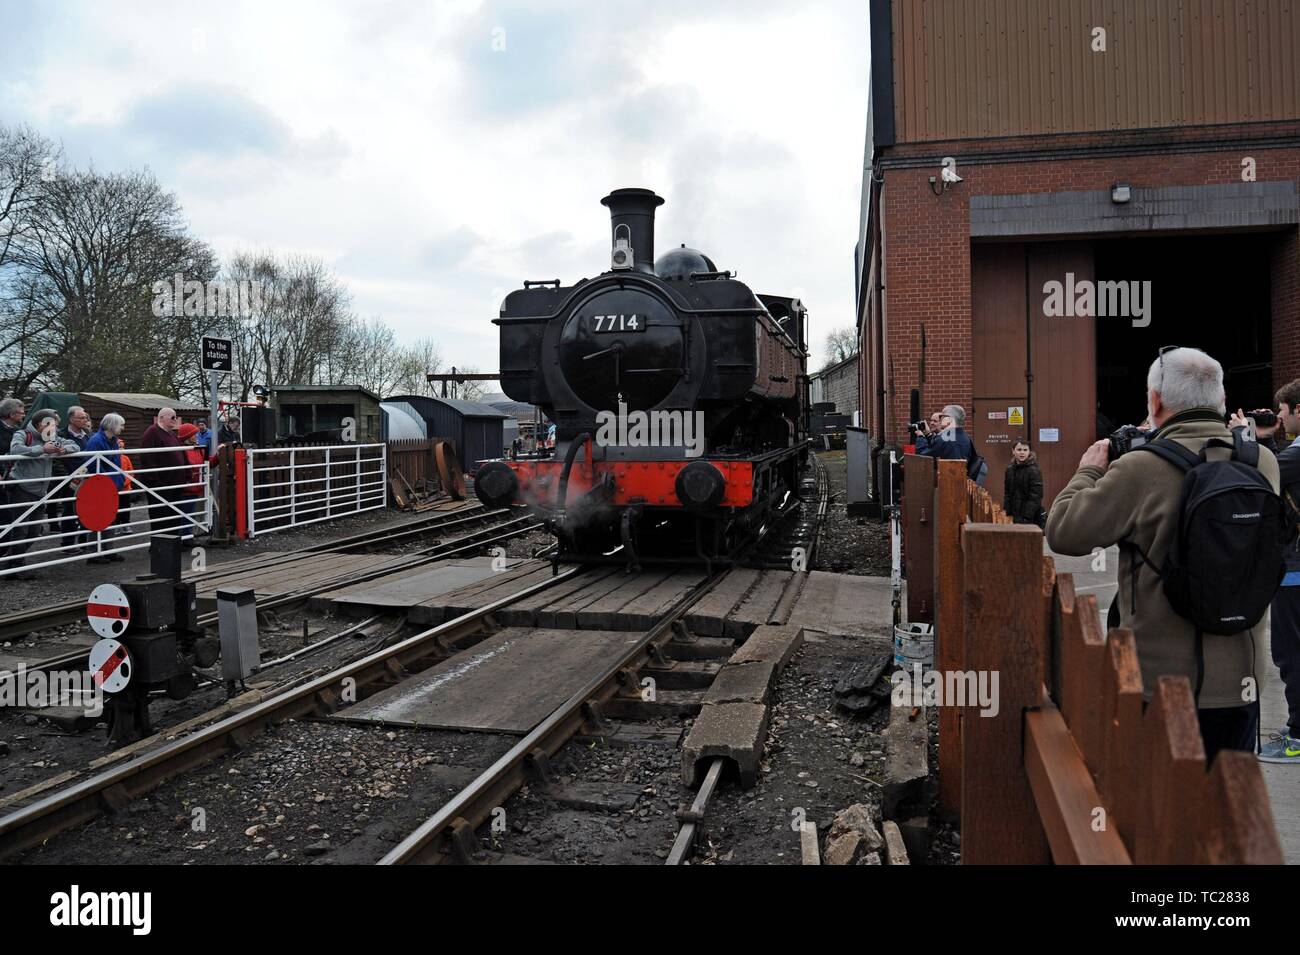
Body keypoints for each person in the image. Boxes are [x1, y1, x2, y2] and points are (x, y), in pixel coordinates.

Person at [1047, 347, 1277, 762]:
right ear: (1222, 400)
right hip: (1242, 682)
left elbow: (1064, 531)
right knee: (1229, 808)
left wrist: (1090, 469)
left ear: (1155, 401)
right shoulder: (1260, 461)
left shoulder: (1140, 467)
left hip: (1158, 684)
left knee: (1158, 814)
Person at [1249, 382, 1300, 763]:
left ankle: (1298, 736)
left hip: (1295, 570)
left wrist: (1248, 439)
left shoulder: (1296, 455)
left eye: (1283, 411)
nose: (1278, 418)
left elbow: (1259, 475)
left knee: (1290, 651)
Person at [5, 409, 79, 578]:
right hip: (22, 487)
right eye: (51, 426)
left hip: (41, 490)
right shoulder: (22, 434)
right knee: (21, 530)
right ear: (40, 425)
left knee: (34, 530)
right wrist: (42, 449)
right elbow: (15, 450)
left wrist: (62, 450)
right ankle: (15, 566)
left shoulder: (51, 437)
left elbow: (74, 445)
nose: (54, 431)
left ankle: (11, 561)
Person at [84, 413, 128, 564]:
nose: (122, 428)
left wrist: (119, 479)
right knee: (97, 518)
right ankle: (94, 552)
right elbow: (92, 464)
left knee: (110, 517)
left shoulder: (113, 441)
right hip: (100, 485)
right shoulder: (96, 441)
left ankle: (107, 549)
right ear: (112, 425)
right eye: (121, 425)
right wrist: (107, 481)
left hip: (111, 484)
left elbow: (116, 462)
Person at [139, 408, 187, 534]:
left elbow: (182, 454)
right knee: (160, 517)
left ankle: (173, 544)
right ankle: (159, 547)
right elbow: (147, 459)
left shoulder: (172, 434)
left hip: (175, 483)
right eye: (172, 417)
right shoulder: (152, 433)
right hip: (162, 485)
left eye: (175, 417)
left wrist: (186, 473)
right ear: (161, 418)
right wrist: (155, 482)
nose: (175, 420)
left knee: (174, 516)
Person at [915, 404, 988, 485]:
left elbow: (921, 456)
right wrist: (928, 434)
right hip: (963, 482)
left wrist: (921, 437)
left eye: (942, 417)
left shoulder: (945, 438)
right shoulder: (965, 437)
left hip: (950, 486)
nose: (940, 419)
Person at [53, 405, 93, 553]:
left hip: (87, 476)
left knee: (86, 509)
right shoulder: (60, 435)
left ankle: (84, 541)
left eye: (85, 417)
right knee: (69, 509)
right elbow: (55, 460)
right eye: (81, 418)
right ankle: (68, 543)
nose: (84, 420)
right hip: (71, 478)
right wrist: (67, 476)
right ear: (71, 419)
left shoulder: (88, 434)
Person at [0, 397, 26, 564]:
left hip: (11, 477)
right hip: (3, 476)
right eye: (21, 412)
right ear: (11, 414)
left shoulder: (17, 431)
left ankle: (7, 553)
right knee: (4, 515)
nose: (23, 415)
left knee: (9, 515)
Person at [1003, 438, 1045, 526]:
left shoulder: (1034, 470)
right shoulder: (1010, 470)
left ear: (1029, 452)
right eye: (1019, 450)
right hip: (1013, 515)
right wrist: (1007, 512)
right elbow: (1007, 494)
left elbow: (1036, 496)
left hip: (1030, 517)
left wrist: (1026, 517)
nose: (1022, 452)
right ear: (1013, 451)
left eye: (1025, 450)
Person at [177, 423, 207, 540]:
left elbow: (207, 463)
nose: (197, 436)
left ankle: (187, 537)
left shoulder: (198, 449)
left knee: (189, 513)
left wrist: (218, 457)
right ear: (188, 437)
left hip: (194, 487)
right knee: (184, 514)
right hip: (186, 487)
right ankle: (183, 538)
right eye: (194, 434)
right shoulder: (183, 450)